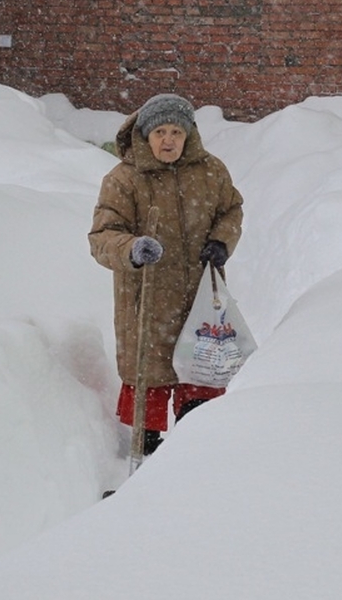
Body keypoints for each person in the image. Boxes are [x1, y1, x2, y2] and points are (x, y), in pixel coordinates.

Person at [89, 93, 243, 454]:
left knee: (199, 380)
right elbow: (102, 236)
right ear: (146, 135)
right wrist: (132, 248)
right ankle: (146, 463)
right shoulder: (124, 179)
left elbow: (231, 211)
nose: (169, 140)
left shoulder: (211, 172)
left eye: (176, 131)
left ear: (189, 134)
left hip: (199, 301)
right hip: (147, 305)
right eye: (160, 132)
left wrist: (222, 241)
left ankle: (194, 461)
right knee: (150, 388)